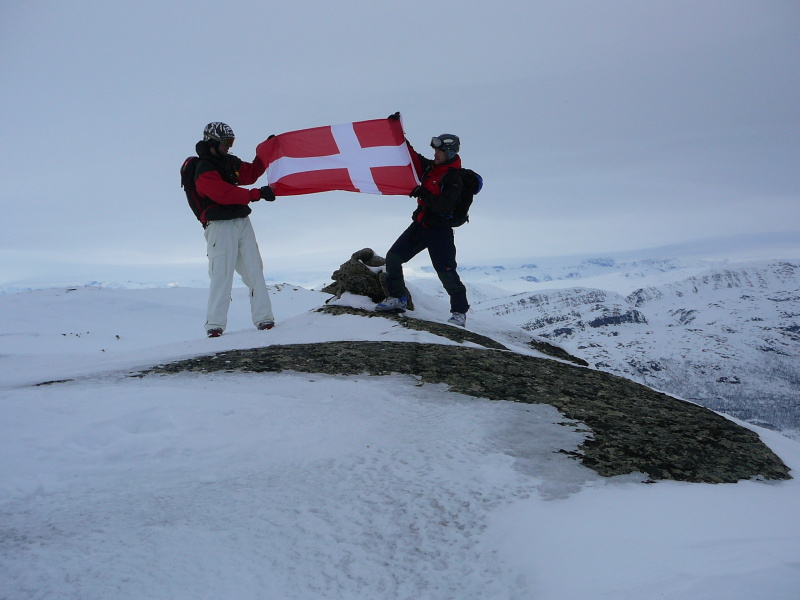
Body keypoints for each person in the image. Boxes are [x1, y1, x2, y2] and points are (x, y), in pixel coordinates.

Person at [376, 123, 470, 327]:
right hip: (420, 226)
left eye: (439, 151)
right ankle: (398, 299)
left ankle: (459, 312)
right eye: (435, 150)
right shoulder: (432, 169)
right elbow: (413, 158)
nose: (435, 153)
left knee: (446, 271)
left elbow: (444, 207)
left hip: (439, 232)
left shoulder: (454, 178)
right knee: (393, 257)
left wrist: (422, 193)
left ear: (450, 152)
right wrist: (398, 135)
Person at [193, 122, 276, 338]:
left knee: (254, 269)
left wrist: (265, 151)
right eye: (226, 142)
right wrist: (256, 194)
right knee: (222, 274)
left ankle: (264, 319)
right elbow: (224, 194)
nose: (229, 147)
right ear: (212, 142)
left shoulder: (228, 162)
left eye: (231, 142)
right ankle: (215, 325)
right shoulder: (203, 168)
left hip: (241, 220)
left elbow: (251, 173)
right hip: (219, 226)